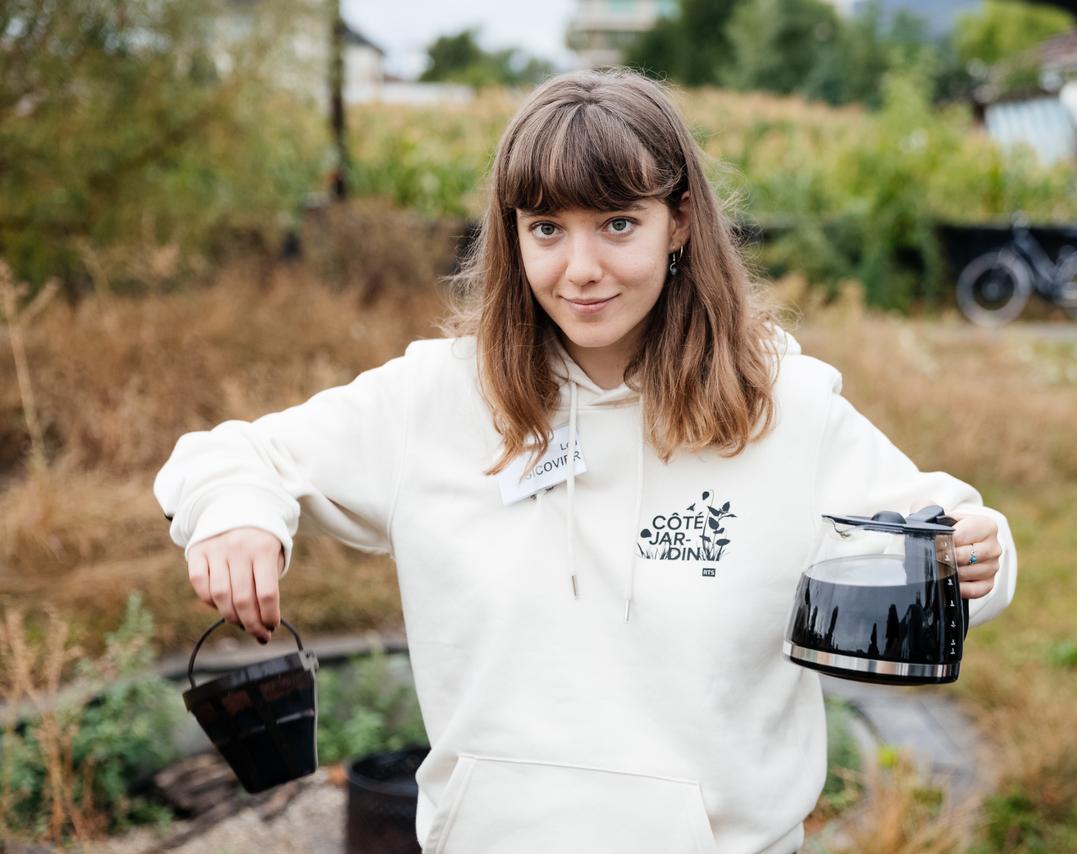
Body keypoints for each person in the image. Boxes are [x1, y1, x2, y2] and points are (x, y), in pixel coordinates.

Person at [154, 68, 1017, 854]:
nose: (581, 270)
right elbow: (234, 456)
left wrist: (978, 553)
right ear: (512, 235)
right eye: (546, 229)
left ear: (679, 220)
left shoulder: (782, 406)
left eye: (617, 224)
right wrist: (236, 513)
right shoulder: (437, 399)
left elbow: (939, 535)